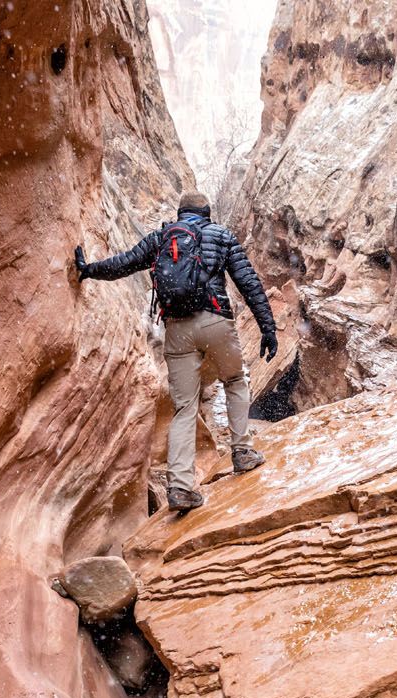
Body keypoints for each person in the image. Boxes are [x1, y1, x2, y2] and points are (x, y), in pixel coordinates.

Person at [74, 192, 279, 513]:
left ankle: (181, 486)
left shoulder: (161, 238)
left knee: (184, 407)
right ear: (207, 214)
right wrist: (267, 326)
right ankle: (242, 452)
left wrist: (88, 269)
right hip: (215, 321)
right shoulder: (221, 235)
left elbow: (123, 263)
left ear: (181, 214)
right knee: (235, 380)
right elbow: (248, 282)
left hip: (177, 328)